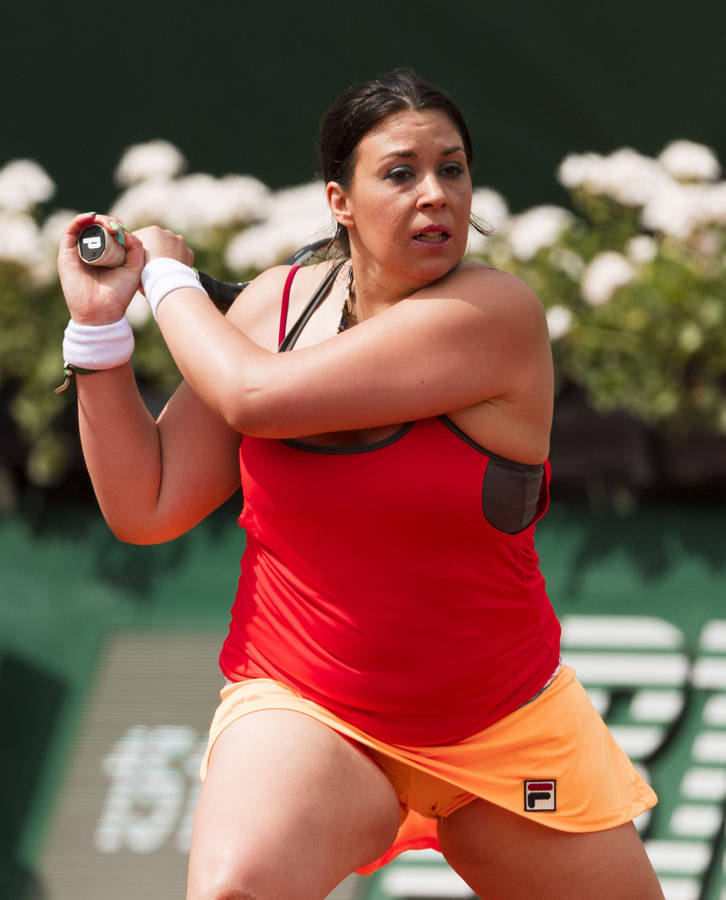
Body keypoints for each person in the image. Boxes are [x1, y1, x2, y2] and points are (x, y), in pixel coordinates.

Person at [57, 70, 664, 900]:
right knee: (235, 889)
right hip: (309, 705)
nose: (435, 196)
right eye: (401, 173)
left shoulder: (494, 316)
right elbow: (147, 506)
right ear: (340, 201)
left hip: (506, 721)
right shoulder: (273, 306)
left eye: (452, 169)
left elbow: (253, 397)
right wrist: (96, 332)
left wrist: (167, 279)